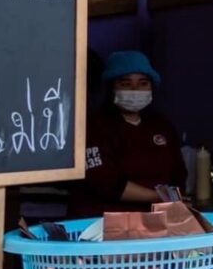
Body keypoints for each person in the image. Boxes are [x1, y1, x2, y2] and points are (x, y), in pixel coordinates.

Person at [70, 50, 187, 218]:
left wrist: (174, 200)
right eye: (126, 84)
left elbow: (178, 175)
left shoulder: (162, 126)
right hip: (101, 222)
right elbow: (105, 182)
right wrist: (159, 197)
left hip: (155, 220)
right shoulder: (94, 126)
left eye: (143, 83)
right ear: (111, 88)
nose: (135, 90)